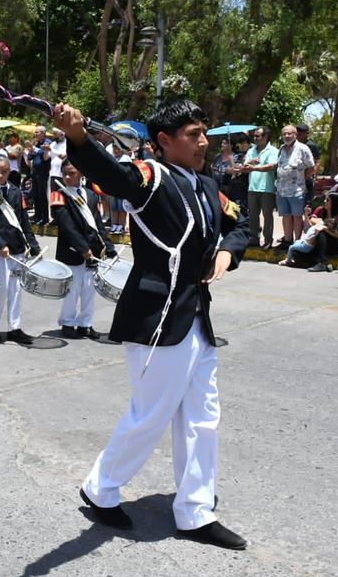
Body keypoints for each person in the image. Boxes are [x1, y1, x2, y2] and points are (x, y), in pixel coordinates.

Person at [53, 98, 250, 551]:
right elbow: (113, 176)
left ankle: (195, 510)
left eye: (205, 133)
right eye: (193, 134)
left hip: (197, 318)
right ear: (164, 141)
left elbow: (241, 225)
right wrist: (79, 137)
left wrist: (227, 251)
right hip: (156, 319)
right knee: (151, 415)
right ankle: (100, 488)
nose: (204, 142)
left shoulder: (207, 185)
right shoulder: (150, 177)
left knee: (203, 418)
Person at [0, 154, 40, 345]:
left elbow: (24, 221)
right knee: (1, 289)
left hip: (17, 248)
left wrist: (33, 245)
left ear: (9, 171)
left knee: (16, 289)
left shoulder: (16, 192)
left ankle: (15, 328)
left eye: (4, 171)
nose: (1, 175)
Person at [51, 159, 116, 340]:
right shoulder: (59, 195)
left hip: (93, 251)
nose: (68, 177)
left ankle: (85, 324)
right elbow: (66, 225)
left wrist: (109, 247)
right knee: (72, 290)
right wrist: (82, 248)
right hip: (73, 251)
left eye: (72, 173)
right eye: (65, 173)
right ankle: (67, 322)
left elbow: (98, 224)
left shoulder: (91, 195)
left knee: (89, 290)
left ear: (80, 174)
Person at [275, 124, 315, 248]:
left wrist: (301, 179)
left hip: (297, 190)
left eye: (289, 133)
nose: (287, 136)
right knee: (285, 216)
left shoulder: (303, 148)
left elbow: (311, 167)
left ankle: (297, 242)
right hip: (281, 190)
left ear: (295, 135)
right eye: (284, 134)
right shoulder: (281, 148)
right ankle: (287, 240)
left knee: (297, 217)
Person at [242, 127, 278, 249]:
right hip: (252, 187)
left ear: (265, 137)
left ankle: (268, 240)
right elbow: (245, 167)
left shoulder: (273, 150)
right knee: (252, 214)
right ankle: (253, 238)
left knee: (267, 215)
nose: (255, 138)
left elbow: (272, 166)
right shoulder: (251, 151)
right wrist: (251, 162)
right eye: (254, 136)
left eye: (258, 136)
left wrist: (254, 168)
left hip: (266, 188)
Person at [30, 128, 52, 225]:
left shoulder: (47, 142)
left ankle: (44, 217)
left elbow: (43, 153)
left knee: (42, 195)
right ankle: (37, 216)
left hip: (43, 172)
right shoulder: (36, 144)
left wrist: (34, 148)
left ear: (43, 133)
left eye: (37, 132)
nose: (35, 134)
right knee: (36, 194)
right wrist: (31, 150)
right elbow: (31, 156)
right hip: (35, 171)